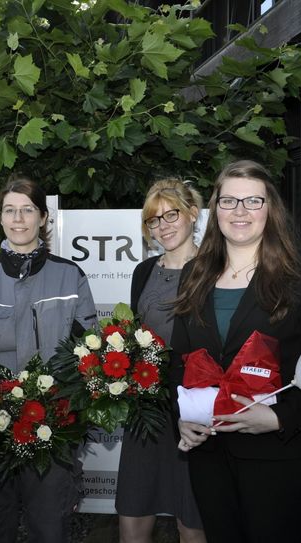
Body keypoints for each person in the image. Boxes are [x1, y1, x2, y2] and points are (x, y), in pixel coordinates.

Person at [171, 160, 301, 543]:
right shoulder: (194, 274)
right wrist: (181, 418)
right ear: (215, 209)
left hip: (278, 453)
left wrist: (280, 417)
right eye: (229, 201)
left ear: (271, 209)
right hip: (209, 452)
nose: (240, 211)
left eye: (253, 201)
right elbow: (177, 361)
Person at [0, 174, 97, 543]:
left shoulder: (70, 277)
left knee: (50, 530)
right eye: (10, 210)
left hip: (53, 433)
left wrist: (68, 418)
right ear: (0, 218)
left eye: (27, 210)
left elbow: (88, 355)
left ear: (43, 217)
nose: (18, 219)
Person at [115, 178, 206, 543]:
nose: (163, 225)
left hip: (194, 409)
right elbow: (136, 336)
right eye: (154, 219)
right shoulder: (144, 271)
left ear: (193, 214)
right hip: (147, 410)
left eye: (172, 215)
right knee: (133, 518)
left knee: (193, 524)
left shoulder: (214, 269)